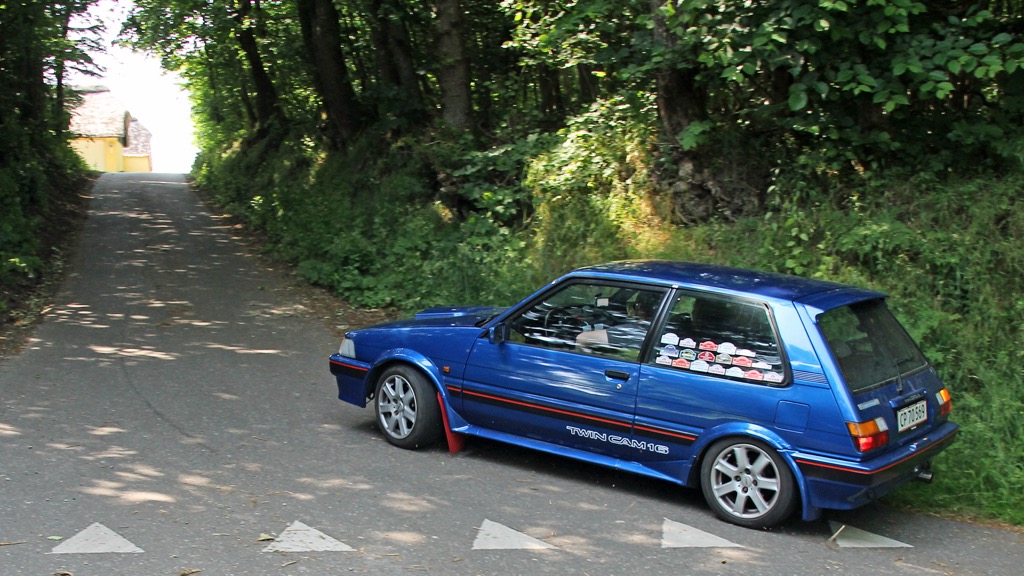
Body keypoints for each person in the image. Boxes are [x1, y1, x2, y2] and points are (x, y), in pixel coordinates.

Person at [576, 292, 660, 354]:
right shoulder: (663, 331)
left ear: (639, 307)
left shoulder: (632, 332)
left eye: (634, 306)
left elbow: (582, 338)